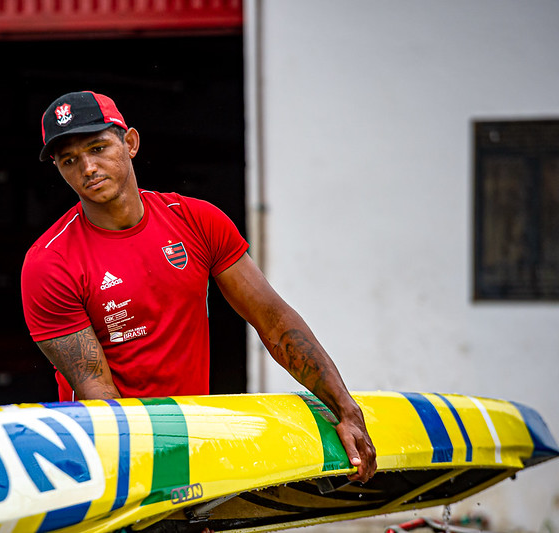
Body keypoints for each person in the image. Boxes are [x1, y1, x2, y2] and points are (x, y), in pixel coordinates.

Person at [21, 91, 376, 482]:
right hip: (112, 461)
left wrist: (345, 409)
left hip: (196, 445)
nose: (87, 167)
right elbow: (98, 393)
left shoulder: (196, 221)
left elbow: (273, 320)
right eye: (69, 160)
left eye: (98, 147)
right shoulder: (49, 262)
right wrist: (155, 478)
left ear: (131, 143)